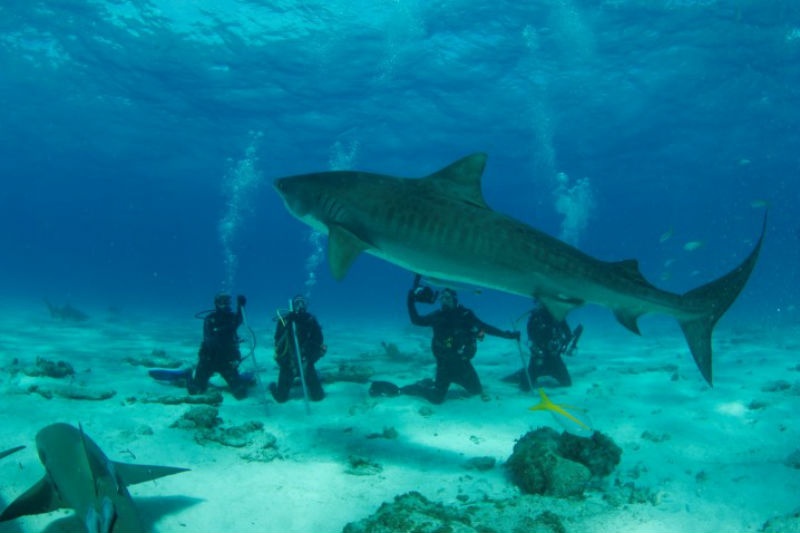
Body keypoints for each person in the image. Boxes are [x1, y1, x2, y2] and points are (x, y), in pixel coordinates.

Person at [398, 274, 520, 404]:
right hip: (444, 365)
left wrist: (507, 335)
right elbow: (416, 320)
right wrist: (410, 301)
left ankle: (435, 382)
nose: (444, 300)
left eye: (448, 298)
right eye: (442, 298)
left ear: (454, 299)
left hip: (463, 363)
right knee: (437, 399)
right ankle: (419, 387)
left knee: (476, 391)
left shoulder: (465, 315)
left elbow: (486, 328)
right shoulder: (437, 316)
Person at [188, 292, 249, 400]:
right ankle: (189, 376)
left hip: (227, 360)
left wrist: (241, 306)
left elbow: (239, 320)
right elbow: (210, 339)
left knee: (240, 393)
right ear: (216, 304)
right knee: (196, 390)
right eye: (222, 302)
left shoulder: (232, 318)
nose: (226, 305)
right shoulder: (210, 319)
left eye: (228, 302)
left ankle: (237, 379)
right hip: (209, 359)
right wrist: (225, 329)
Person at [513, 300, 583, 389]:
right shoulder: (535, 318)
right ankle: (523, 373)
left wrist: (565, 344)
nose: (542, 306)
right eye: (540, 303)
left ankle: (534, 371)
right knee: (526, 387)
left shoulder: (558, 317)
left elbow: (568, 335)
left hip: (554, 356)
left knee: (566, 382)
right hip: (538, 357)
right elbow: (531, 337)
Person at [270, 294, 326, 403]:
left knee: (318, 397)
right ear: (293, 305)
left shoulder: (311, 320)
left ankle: (312, 379)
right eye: (297, 303)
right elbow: (278, 340)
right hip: (288, 364)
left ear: (306, 305)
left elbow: (319, 339)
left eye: (302, 303)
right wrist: (290, 325)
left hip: (305, 362)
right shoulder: (285, 320)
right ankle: (272, 386)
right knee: (280, 398)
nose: (300, 305)